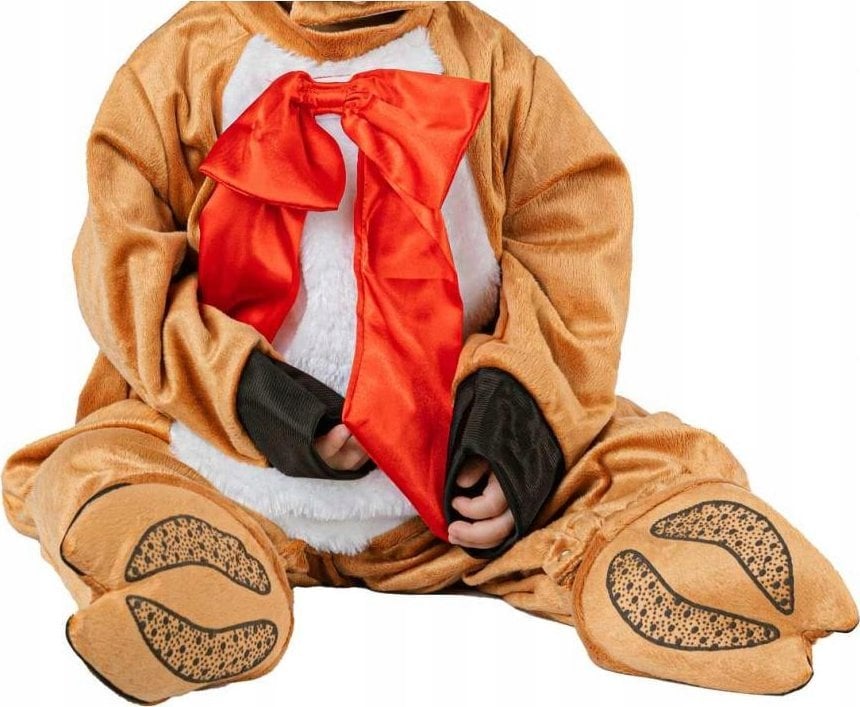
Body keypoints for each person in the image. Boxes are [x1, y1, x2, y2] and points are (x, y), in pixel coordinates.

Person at [2, 2, 856, 703]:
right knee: (96, 463)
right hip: (222, 458)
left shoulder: (494, 68)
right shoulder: (181, 65)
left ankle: (666, 566)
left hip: (444, 491)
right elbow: (121, 265)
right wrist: (250, 392)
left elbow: (578, 236)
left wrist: (514, 423)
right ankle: (193, 565)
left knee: (623, 461)